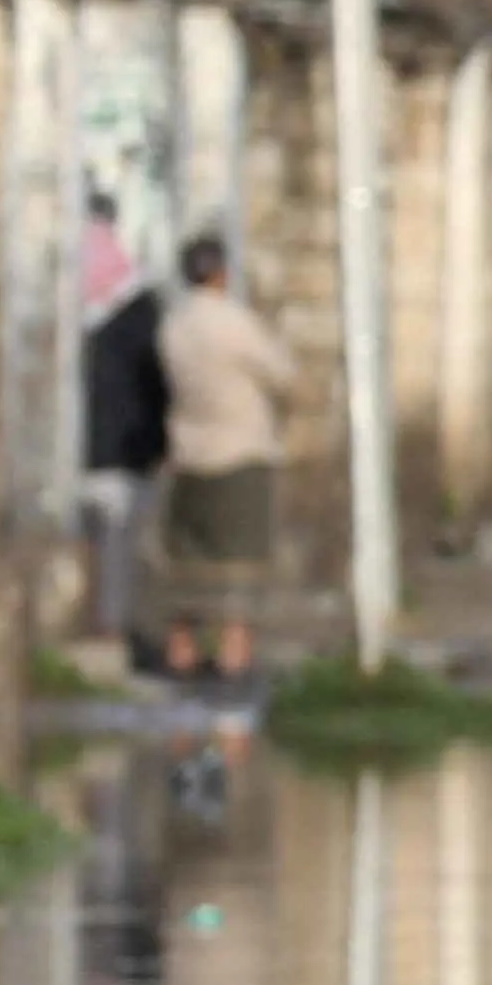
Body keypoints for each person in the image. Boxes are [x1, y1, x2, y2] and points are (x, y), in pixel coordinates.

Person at [152, 232, 296, 682]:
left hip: (190, 450)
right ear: (221, 272)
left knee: (188, 558)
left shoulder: (174, 325)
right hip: (239, 449)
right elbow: (283, 374)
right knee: (240, 558)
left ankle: (182, 648)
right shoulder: (233, 322)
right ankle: (235, 653)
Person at [75, 199, 171, 674]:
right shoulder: (139, 307)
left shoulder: (68, 303)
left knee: (98, 541)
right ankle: (111, 629)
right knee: (119, 547)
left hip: (84, 451)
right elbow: (155, 385)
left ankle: (99, 625)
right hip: (124, 450)